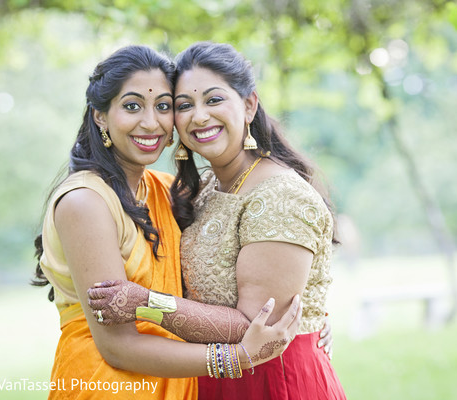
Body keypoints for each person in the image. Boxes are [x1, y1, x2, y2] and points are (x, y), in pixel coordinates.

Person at [32, 45, 302, 400]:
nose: (151, 122)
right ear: (100, 116)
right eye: (132, 106)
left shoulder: (161, 189)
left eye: (163, 106)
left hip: (175, 381)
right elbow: (118, 346)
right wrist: (237, 358)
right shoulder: (86, 202)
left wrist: (307, 308)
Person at [88, 42, 346, 399]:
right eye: (182, 106)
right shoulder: (203, 187)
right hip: (209, 375)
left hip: (272, 381)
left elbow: (256, 327)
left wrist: (146, 302)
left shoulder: (280, 195)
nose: (199, 116)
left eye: (213, 100)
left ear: (249, 105)